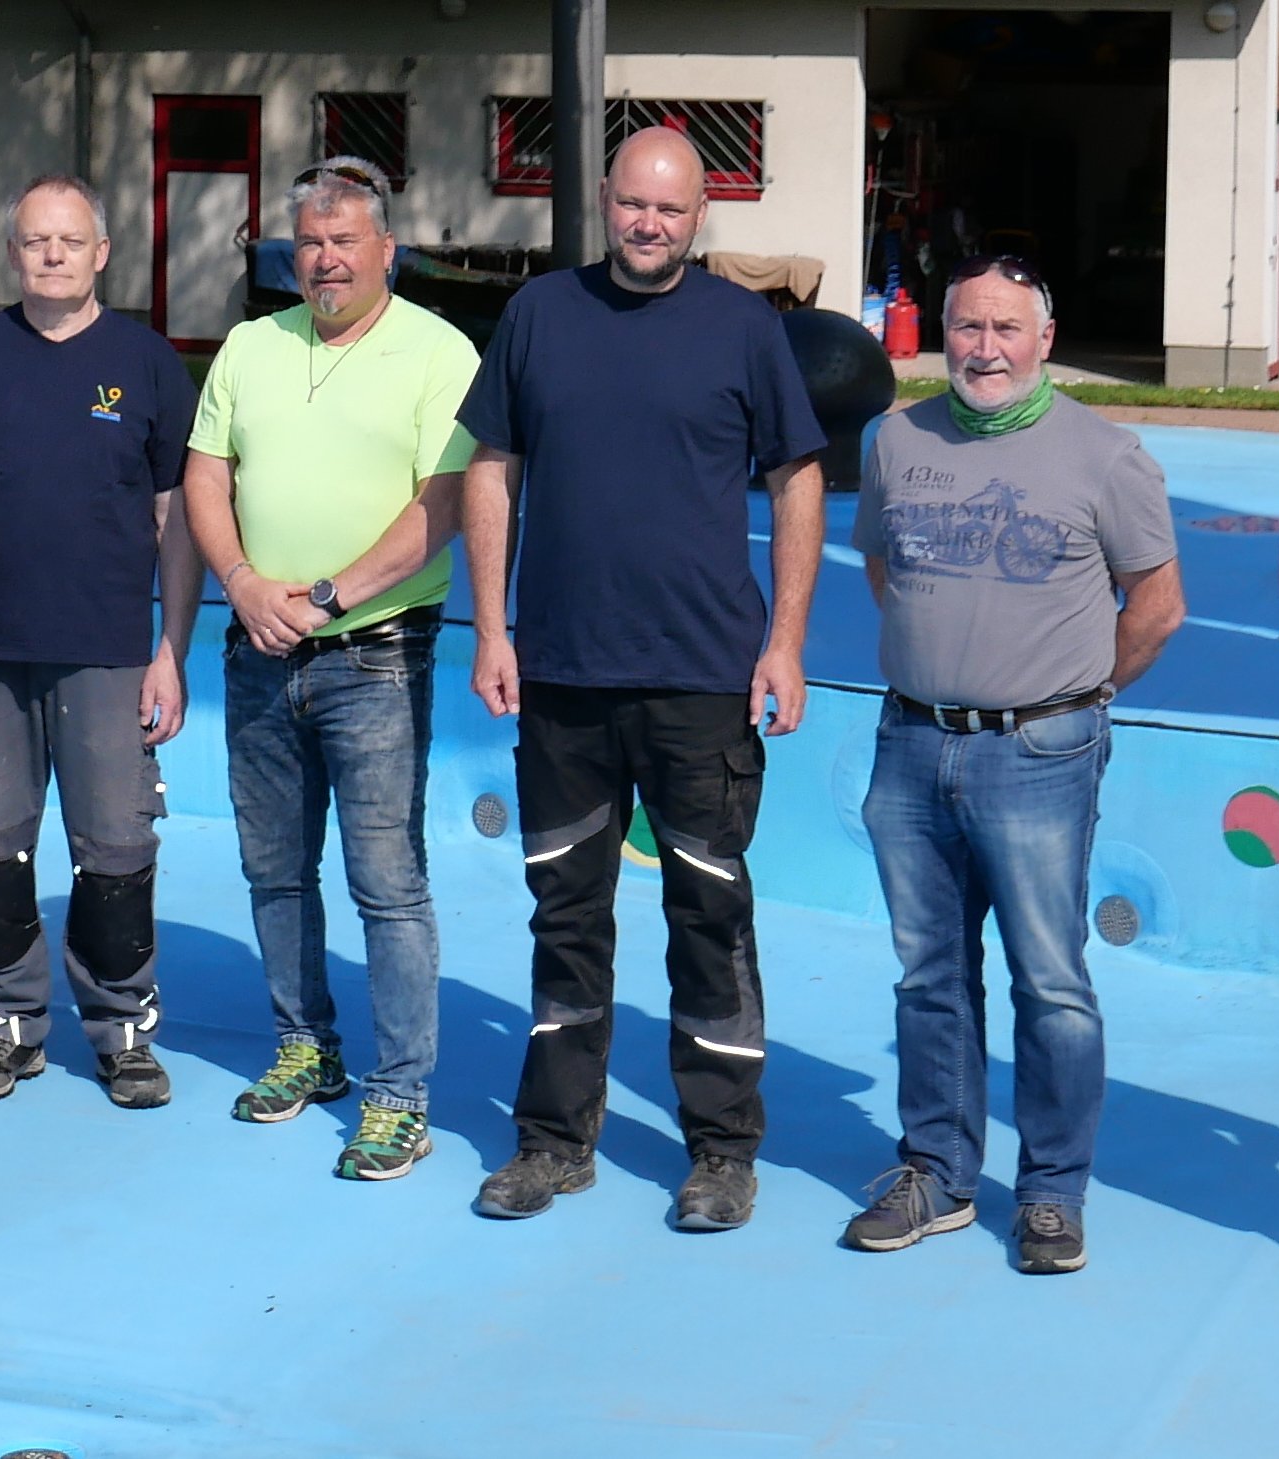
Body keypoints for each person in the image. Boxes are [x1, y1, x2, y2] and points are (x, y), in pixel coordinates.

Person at [459, 127, 828, 1231]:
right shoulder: (539, 316)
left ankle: (721, 1150)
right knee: (565, 914)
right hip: (565, 676)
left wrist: (788, 641)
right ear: (605, 202)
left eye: (669, 210)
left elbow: (798, 480)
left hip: (701, 679)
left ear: (699, 215)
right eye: (631, 205)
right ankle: (555, 1140)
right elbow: (492, 469)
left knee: (708, 914)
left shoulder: (743, 328)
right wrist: (490, 627)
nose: (648, 225)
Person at [842, 255, 1185, 1270]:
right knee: (928, 976)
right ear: (941, 334)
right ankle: (939, 1173)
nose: (984, 349)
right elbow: (883, 571)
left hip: (1042, 752)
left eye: (1005, 329)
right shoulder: (896, 438)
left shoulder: (1108, 455)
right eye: (966, 328)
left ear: (1044, 337)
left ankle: (1049, 1191)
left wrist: (1073, 692)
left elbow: (1157, 607)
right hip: (910, 743)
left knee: (1051, 983)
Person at [183, 157, 477, 1180]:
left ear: (385, 250)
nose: (325, 258)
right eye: (308, 241)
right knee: (275, 869)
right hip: (258, 649)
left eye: (344, 240)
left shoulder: (439, 353)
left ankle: (401, 1094)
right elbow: (204, 476)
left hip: (374, 655)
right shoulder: (250, 346)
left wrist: (326, 597)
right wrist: (244, 582)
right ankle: (305, 1047)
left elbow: (440, 508)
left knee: (387, 884)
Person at [0, 174, 200, 1111]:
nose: (52, 255)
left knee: (115, 845)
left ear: (102, 253)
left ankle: (120, 1030)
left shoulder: (149, 364)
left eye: (69, 241)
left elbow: (178, 519)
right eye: (35, 241)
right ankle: (4, 1030)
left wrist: (172, 647)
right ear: (12, 254)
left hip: (111, 650)